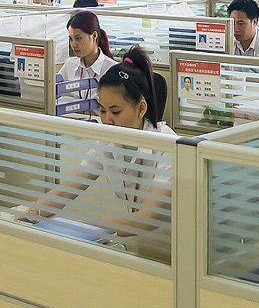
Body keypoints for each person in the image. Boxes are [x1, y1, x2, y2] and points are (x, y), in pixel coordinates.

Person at [19, 47, 174, 228]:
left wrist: (92, 228)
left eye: (115, 112)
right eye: (102, 111)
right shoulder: (107, 141)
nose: (107, 120)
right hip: (138, 237)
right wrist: (33, 213)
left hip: (176, 238)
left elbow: (146, 219)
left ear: (141, 108)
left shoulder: (167, 146)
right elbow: (66, 191)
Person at [58, 11, 117, 107]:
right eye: (71, 39)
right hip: (72, 116)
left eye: (78, 38)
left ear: (94, 36)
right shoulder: (70, 64)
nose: (73, 45)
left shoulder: (112, 69)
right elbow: (54, 91)